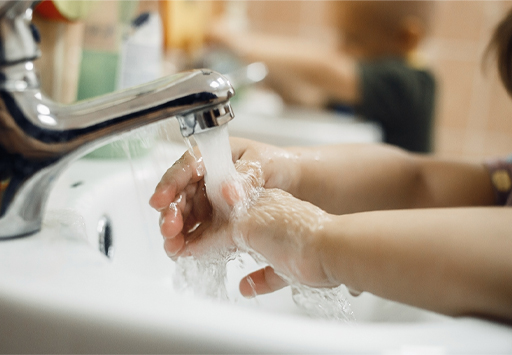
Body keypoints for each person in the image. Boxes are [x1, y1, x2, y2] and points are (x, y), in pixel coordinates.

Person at [149, 10, 512, 322]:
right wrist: (287, 168)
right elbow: (418, 182)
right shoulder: (503, 179)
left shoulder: (413, 82)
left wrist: (314, 239)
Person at [208, 1, 436, 153]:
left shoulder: (410, 84)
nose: (341, 49)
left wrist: (239, 42)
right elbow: (311, 101)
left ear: (407, 38)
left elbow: (328, 70)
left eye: (354, 40)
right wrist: (275, 76)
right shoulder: (373, 95)